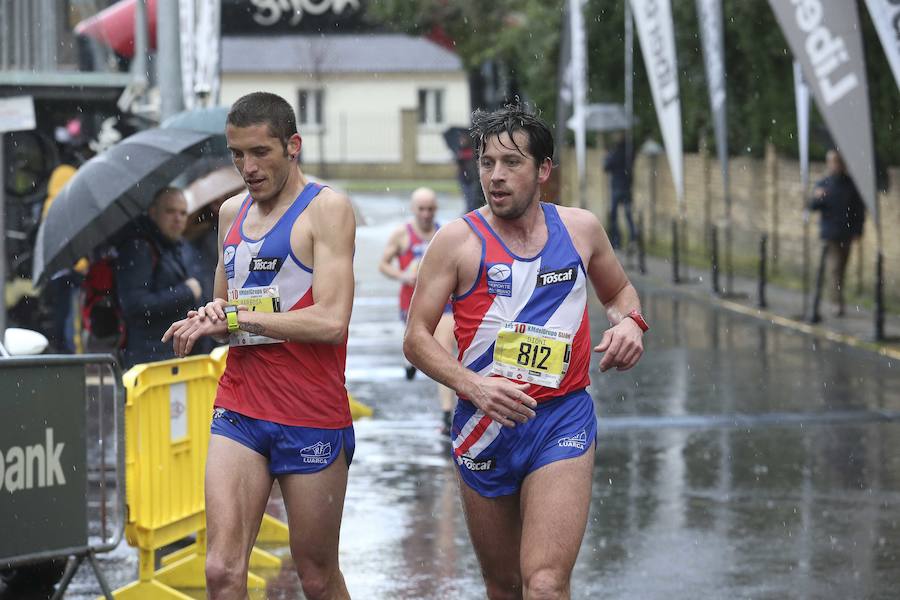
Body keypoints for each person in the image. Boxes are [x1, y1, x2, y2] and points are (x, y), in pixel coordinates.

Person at [403, 105, 647, 599]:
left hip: (562, 419)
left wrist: (632, 326)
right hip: (483, 425)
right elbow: (416, 338)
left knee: (545, 584)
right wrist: (472, 385)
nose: (496, 176)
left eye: (511, 163)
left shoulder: (580, 231)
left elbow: (620, 297)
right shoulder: (456, 242)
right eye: (487, 163)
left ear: (543, 170)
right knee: (504, 584)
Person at [162, 91, 355, 600]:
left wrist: (237, 315)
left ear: (292, 145)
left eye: (259, 152)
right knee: (222, 572)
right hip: (241, 406)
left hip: (310, 412)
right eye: (236, 154)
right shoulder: (230, 213)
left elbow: (333, 321)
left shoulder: (327, 209)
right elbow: (227, 312)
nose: (247, 167)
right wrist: (208, 318)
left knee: (316, 576)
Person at [378, 187, 455, 433]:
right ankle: (411, 361)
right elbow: (383, 264)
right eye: (421, 209)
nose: (426, 214)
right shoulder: (402, 234)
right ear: (413, 210)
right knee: (415, 342)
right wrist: (403, 276)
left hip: (443, 304)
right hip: (411, 303)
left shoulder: (445, 234)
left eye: (430, 209)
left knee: (444, 348)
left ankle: (446, 413)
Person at [116, 187, 204, 368]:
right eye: (170, 211)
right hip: (149, 359)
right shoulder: (138, 248)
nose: (178, 218)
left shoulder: (181, 246)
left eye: (183, 213)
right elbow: (135, 304)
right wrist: (186, 291)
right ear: (153, 212)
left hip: (179, 355)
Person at [808, 149, 866, 322]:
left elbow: (858, 211)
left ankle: (837, 299)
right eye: (832, 162)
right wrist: (817, 197)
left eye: (837, 162)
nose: (835, 166)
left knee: (841, 269)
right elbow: (812, 206)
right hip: (830, 234)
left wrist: (858, 230)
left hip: (846, 233)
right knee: (834, 269)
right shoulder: (824, 183)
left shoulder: (851, 185)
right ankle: (836, 303)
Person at [603, 132, 636, 250]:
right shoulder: (630, 151)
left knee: (614, 215)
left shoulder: (616, 151)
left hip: (617, 186)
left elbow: (606, 166)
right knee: (628, 214)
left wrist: (607, 156)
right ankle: (633, 238)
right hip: (627, 186)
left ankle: (617, 240)